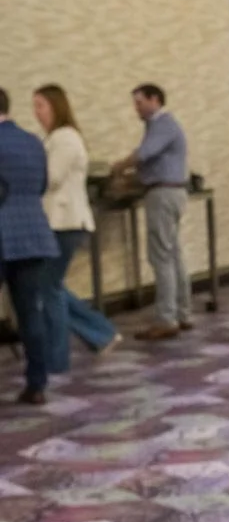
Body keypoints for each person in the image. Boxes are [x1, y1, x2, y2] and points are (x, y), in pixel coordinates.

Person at [34, 84, 121, 368]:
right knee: (49, 286)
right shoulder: (53, 139)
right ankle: (100, 332)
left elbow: (52, 178)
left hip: (65, 222)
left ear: (56, 107)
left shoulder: (66, 138)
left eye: (41, 106)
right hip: (58, 222)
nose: (36, 113)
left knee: (48, 288)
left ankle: (59, 358)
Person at [111, 84, 191, 341]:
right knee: (173, 254)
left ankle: (167, 319)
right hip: (171, 192)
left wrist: (119, 168)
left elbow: (144, 155)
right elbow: (151, 167)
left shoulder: (162, 124)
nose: (136, 108)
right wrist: (131, 179)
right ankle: (182, 312)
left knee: (161, 257)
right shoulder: (159, 127)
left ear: (155, 100)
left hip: (163, 195)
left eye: (139, 102)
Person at [0, 86, 60, 404]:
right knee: (30, 314)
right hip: (33, 234)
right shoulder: (33, 142)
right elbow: (40, 186)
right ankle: (37, 385)